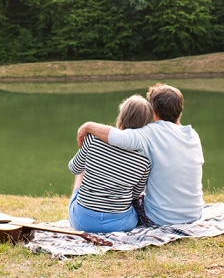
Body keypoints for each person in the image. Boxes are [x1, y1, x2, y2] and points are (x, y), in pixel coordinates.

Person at [76, 83, 204, 226]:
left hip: (161, 219)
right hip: (194, 214)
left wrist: (87, 126)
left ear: (154, 112)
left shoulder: (150, 132)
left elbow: (117, 136)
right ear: (180, 110)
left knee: (128, 199)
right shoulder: (192, 134)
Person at [68, 95, 152, 233]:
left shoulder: (93, 140)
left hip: (82, 222)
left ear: (121, 118)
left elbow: (74, 168)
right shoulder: (145, 159)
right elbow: (135, 195)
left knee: (82, 169)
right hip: (120, 225)